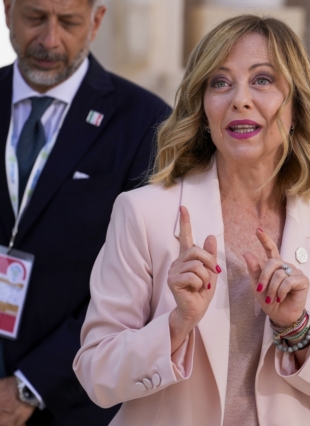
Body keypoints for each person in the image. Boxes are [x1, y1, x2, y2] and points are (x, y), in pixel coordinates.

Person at [74, 14, 310, 425]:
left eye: (263, 80)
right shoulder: (143, 212)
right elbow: (96, 374)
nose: (240, 98)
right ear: (203, 109)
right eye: (220, 82)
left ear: (296, 105)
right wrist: (177, 324)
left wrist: (297, 327)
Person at [0, 0, 171, 424]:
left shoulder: (146, 123)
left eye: (69, 22)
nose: (49, 39)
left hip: (74, 404)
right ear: (6, 11)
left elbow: (141, 285)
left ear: (96, 22)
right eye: (35, 17)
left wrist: (30, 383)